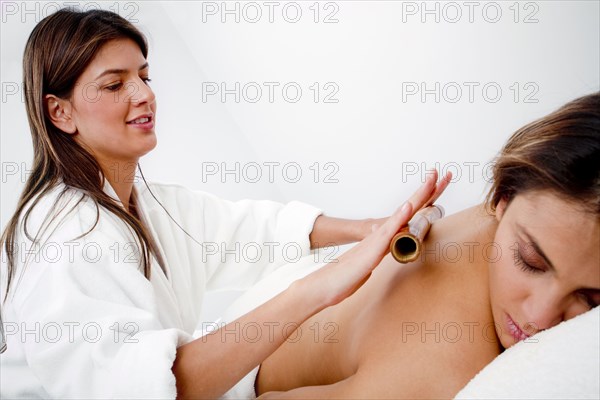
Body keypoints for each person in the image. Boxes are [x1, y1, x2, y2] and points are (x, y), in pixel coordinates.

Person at [0, 8, 451, 399]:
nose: (144, 94)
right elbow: (143, 390)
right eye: (116, 85)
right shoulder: (63, 234)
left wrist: (368, 228)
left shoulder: (147, 204)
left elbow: (250, 230)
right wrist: (317, 289)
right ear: (60, 113)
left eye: (144, 75)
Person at [221, 92, 599, 399]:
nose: (542, 318)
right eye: (530, 261)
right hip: (241, 362)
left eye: (592, 299)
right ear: (501, 198)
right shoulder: (435, 375)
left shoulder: (526, 214)